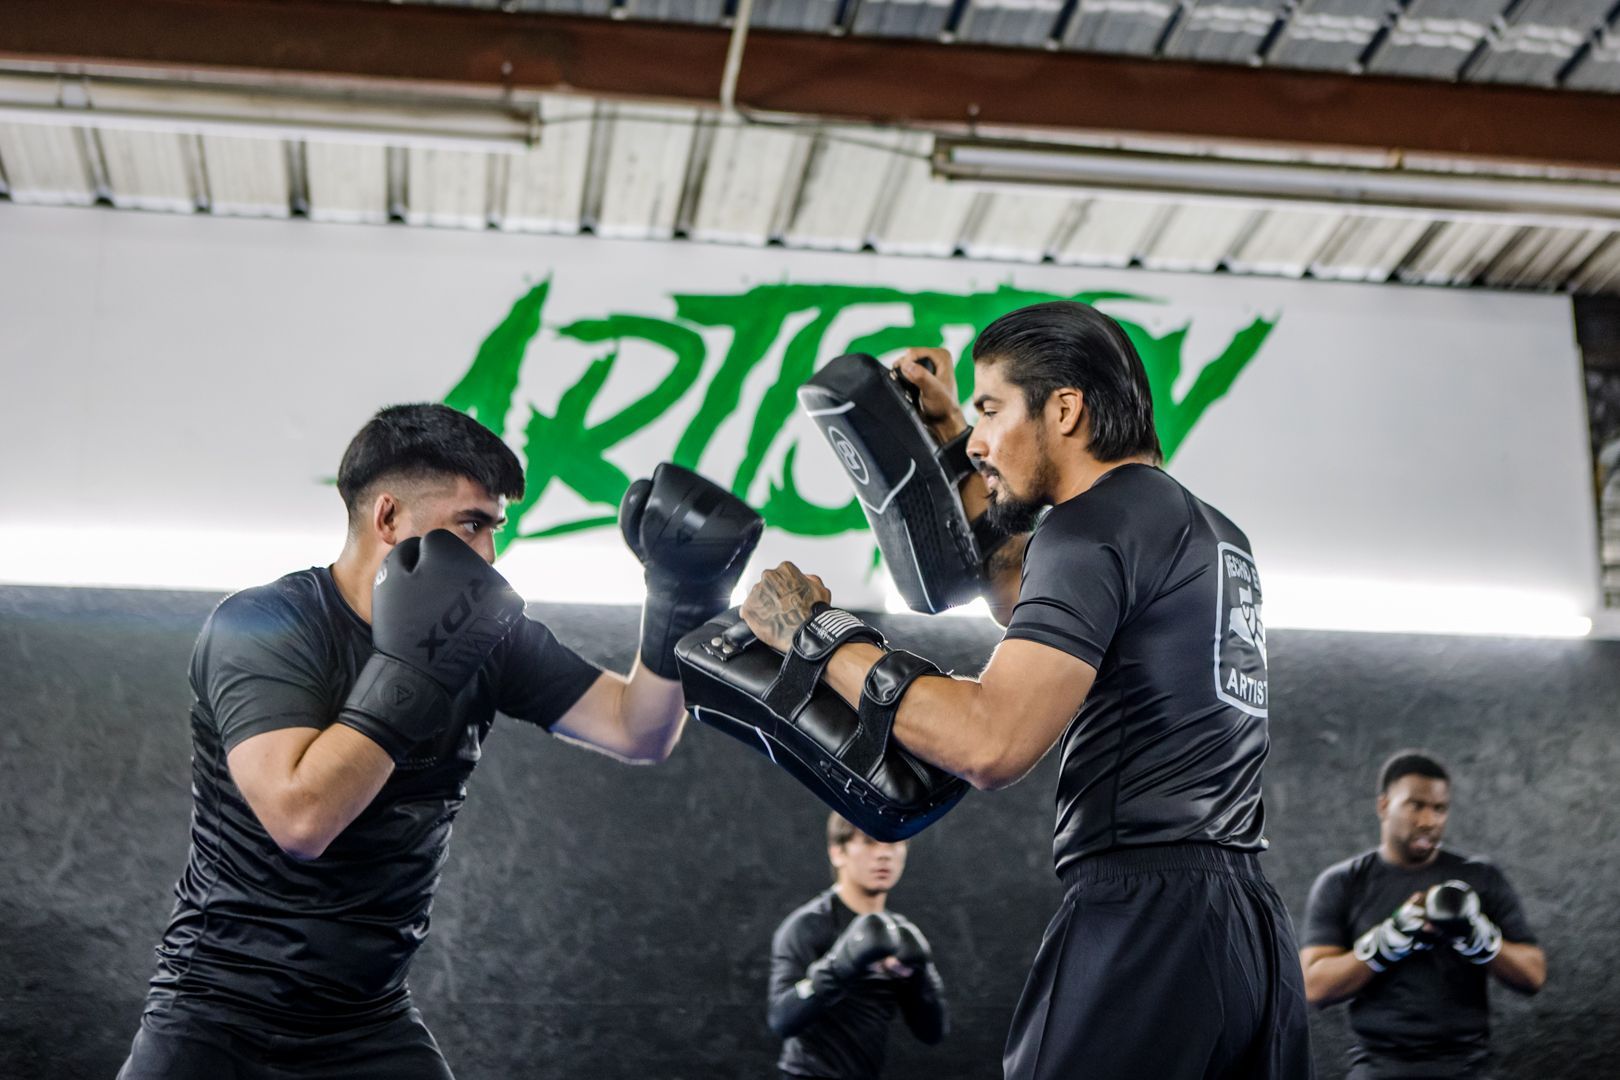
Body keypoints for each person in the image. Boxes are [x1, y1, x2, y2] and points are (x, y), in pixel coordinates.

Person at [737, 300, 1313, 1079]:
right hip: (1246, 932)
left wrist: (816, 632)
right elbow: (1018, 592)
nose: (980, 438)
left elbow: (990, 741)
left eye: (992, 409)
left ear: (1066, 409)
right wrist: (944, 431)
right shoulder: (1200, 527)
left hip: (1145, 917)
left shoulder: (1090, 527)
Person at [116, 403, 760, 1079]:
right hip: (217, 1014)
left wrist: (678, 601)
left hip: (365, 1020)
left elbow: (637, 729)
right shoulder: (264, 626)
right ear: (388, 518)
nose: (487, 554)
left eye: (494, 529)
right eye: (470, 525)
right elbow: (301, 819)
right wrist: (418, 669)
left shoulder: (490, 636)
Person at [1299, 751, 1547, 1079]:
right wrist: (1387, 941)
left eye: (1439, 808)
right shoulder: (1345, 882)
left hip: (1466, 1065)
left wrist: (1478, 938)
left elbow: (1533, 976)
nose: (1429, 821)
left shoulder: (1481, 877)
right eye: (1416, 805)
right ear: (1384, 806)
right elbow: (1313, 987)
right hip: (1378, 1065)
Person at [767, 813, 948, 1080]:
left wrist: (917, 977)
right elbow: (781, 1019)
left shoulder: (899, 935)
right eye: (869, 842)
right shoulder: (809, 926)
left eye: (894, 844)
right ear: (838, 852)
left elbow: (933, 1032)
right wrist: (839, 965)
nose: (884, 855)